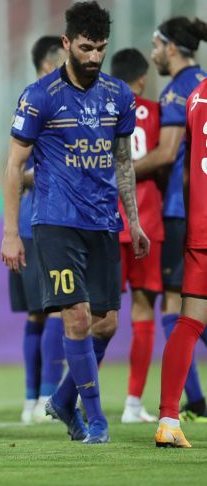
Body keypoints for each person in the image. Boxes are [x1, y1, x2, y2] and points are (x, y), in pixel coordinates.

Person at [1, 1, 149, 445]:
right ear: (67, 43)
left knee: (107, 323)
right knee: (78, 318)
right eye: (86, 48)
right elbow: (14, 166)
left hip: (103, 221)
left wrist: (134, 221)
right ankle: (95, 420)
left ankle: (64, 399)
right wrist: (11, 233)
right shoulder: (39, 96)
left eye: (101, 48)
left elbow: (122, 161)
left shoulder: (118, 95)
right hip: (56, 221)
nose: (94, 56)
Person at [134, 17, 207, 422]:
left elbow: (167, 154)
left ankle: (189, 403)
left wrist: (118, 172)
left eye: (156, 46)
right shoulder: (199, 83)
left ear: (172, 48)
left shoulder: (184, 93)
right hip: (192, 211)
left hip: (185, 211)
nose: (153, 55)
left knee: (179, 307)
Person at [12, 36, 67, 425]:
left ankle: (32, 400)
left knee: (38, 314)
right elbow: (16, 169)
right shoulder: (40, 101)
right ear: (50, 63)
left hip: (32, 222)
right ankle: (45, 397)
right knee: (55, 311)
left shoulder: (30, 101)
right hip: (40, 223)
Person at [109, 48, 164, 424]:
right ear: (142, 78)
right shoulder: (155, 113)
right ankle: (132, 404)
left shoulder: (102, 110)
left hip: (108, 223)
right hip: (148, 224)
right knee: (143, 313)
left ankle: (81, 400)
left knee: (98, 314)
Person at [156, 72, 207, 448]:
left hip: (200, 227)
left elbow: (188, 175)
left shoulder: (195, 98)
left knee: (188, 321)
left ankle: (169, 421)